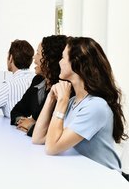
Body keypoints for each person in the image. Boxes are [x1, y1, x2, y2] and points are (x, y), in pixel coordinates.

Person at [32, 37, 128, 179]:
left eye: (63, 58)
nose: (59, 62)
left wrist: (61, 102)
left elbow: (51, 148)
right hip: (85, 177)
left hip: (107, 183)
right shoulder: (73, 102)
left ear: (76, 63)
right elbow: (38, 138)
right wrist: (50, 99)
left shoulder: (96, 106)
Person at [10, 35, 67, 136]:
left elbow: (55, 131)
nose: (34, 58)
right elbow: (16, 111)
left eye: (38, 53)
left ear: (49, 59)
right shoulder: (38, 81)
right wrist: (22, 121)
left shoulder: (63, 88)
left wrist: (32, 126)